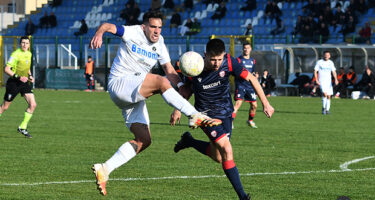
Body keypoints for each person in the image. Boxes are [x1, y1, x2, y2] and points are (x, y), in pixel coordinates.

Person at [89, 11, 221, 196]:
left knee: (144, 140)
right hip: (121, 83)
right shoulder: (132, 32)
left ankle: (105, 169)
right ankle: (195, 115)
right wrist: (99, 33)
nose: (157, 31)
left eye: (159, 27)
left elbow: (169, 69)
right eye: (153, 27)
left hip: (134, 92)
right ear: (144, 27)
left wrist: (182, 85)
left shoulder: (160, 43)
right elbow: (108, 26)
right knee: (160, 82)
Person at [170, 38, 274, 200]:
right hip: (203, 115)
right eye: (212, 59)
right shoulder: (194, 66)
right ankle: (243, 196)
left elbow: (252, 79)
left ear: (224, 56)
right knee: (227, 149)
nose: (216, 63)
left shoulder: (230, 63)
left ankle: (189, 141)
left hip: (225, 113)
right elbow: (187, 91)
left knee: (218, 156)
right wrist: (177, 109)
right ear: (205, 55)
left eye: (219, 59)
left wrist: (265, 103)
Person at [0, 36, 36, 138]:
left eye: (27, 43)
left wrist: (30, 76)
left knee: (33, 105)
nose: (25, 45)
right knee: (5, 107)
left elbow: (27, 67)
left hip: (24, 83)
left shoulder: (29, 54)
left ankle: (22, 127)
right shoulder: (15, 54)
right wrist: (18, 77)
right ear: (20, 44)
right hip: (14, 83)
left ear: (29, 45)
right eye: (23, 43)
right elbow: (6, 69)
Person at [232, 42, 258, 128]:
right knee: (238, 104)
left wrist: (255, 75)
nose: (246, 50)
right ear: (242, 49)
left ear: (251, 49)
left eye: (248, 48)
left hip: (250, 86)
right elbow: (234, 72)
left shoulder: (253, 61)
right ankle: (230, 122)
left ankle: (250, 120)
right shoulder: (238, 60)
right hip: (241, 85)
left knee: (254, 105)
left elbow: (253, 72)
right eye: (245, 48)